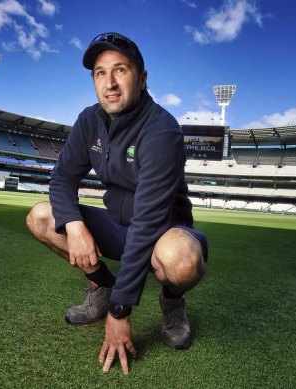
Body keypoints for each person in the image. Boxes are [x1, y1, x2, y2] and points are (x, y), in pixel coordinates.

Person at [26, 32, 208, 375]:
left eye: (120, 70)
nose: (109, 82)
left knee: (181, 260)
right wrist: (75, 225)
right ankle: (101, 286)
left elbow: (148, 224)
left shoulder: (162, 131)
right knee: (41, 218)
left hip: (163, 232)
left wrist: (121, 312)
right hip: (118, 226)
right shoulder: (89, 120)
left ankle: (172, 300)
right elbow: (62, 178)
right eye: (99, 72)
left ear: (142, 77)